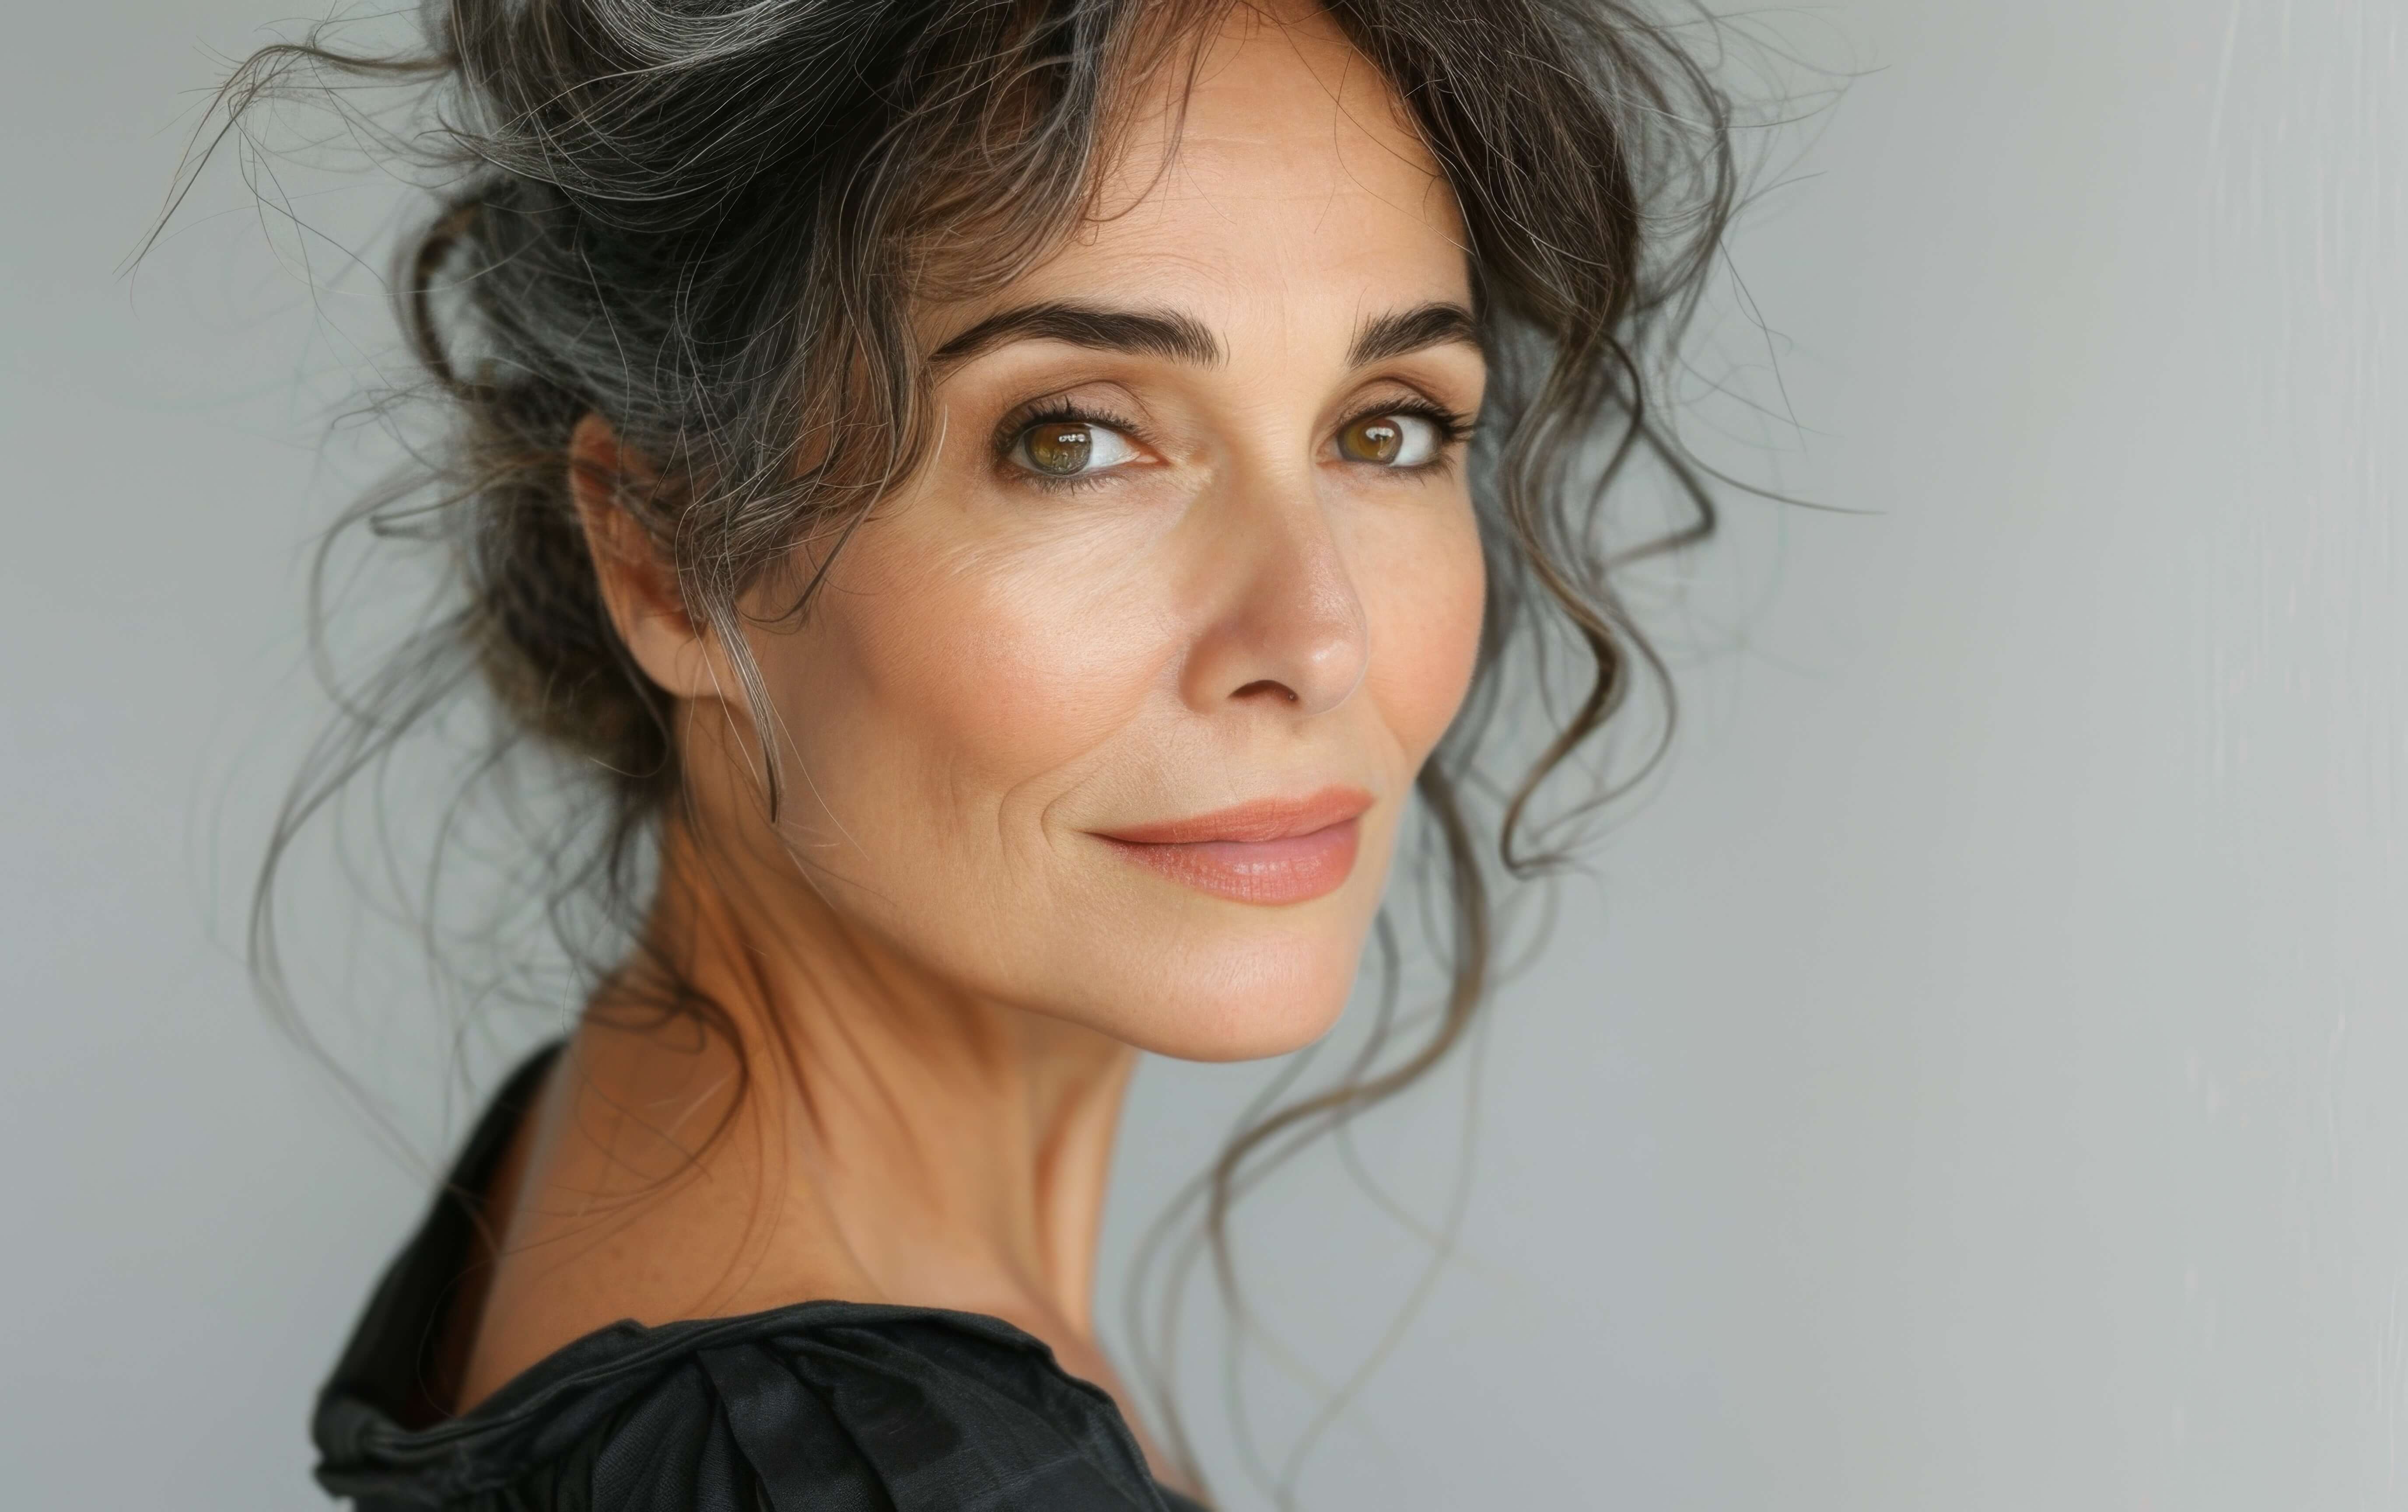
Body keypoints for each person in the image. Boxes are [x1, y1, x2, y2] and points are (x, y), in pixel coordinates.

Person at [206, 0, 1734, 1505]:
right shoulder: (857, 1459)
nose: (1316, 638)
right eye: (1072, 438)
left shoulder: (633, 1174)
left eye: (1388, 429)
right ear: (670, 549)